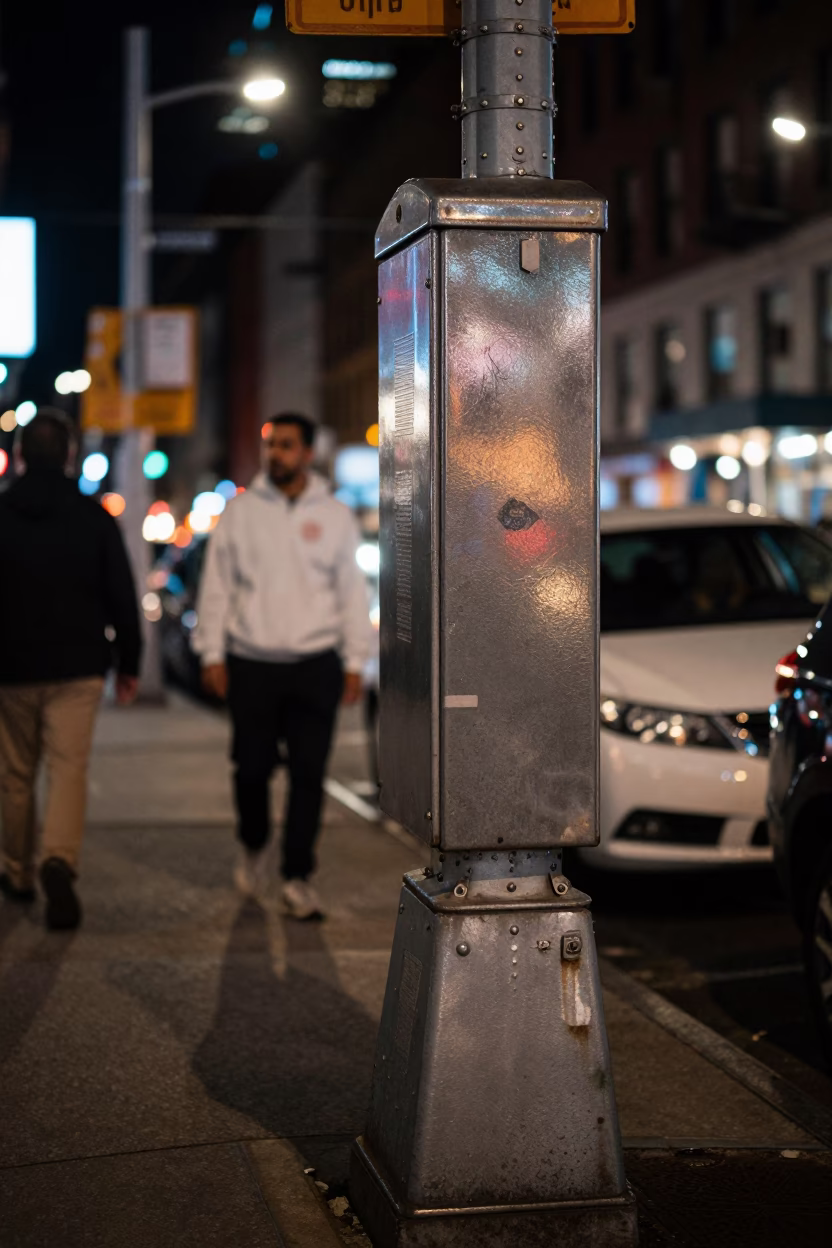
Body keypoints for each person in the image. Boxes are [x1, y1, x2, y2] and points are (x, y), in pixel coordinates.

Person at [193, 413, 370, 920]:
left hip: (316, 665)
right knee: (250, 770)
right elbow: (217, 587)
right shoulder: (241, 513)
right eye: (271, 445)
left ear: (308, 453)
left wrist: (355, 660)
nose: (276, 455)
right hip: (252, 663)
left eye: (287, 446)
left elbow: (350, 594)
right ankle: (253, 843)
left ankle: (297, 876)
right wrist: (212, 652)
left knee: (310, 777)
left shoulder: (335, 515)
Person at [0, 409, 141, 930]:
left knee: (15, 773)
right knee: (67, 768)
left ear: (18, 457)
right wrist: (130, 662)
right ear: (69, 456)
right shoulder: (93, 518)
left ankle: (16, 871)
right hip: (78, 668)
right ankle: (58, 858)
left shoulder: (2, 513)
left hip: (10, 668)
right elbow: (121, 596)